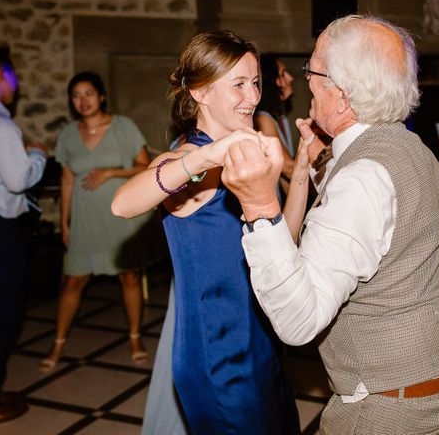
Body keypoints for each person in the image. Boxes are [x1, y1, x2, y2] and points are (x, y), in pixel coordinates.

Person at [221, 14, 439, 435]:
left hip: (391, 406)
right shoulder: (411, 147)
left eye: (313, 71)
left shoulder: (361, 180)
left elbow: (299, 322)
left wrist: (261, 205)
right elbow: (377, 223)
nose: (306, 81)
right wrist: (322, 161)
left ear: (341, 95)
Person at [111, 30, 305, 434]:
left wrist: (300, 171)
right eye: (238, 85)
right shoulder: (185, 158)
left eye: (254, 83)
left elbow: (281, 240)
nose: (252, 97)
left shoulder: (246, 156)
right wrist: (209, 154)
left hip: (262, 343)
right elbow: (123, 204)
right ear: (200, 91)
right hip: (220, 358)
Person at [40, 72, 159, 373]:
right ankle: (58, 342)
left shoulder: (123, 126)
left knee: (128, 277)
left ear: (102, 96)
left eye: (89, 93)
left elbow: (144, 166)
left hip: (117, 216)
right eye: (76, 95)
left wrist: (109, 172)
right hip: (84, 219)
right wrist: (64, 222)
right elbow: (67, 179)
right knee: (73, 280)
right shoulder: (68, 133)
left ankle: (135, 338)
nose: (83, 101)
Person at [0, 45, 47, 422]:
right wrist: (36, 154)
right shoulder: (0, 124)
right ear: (1, 78)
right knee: (0, 314)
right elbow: (18, 178)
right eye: (13, 77)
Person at [254, 54, 296, 195]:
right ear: (271, 81)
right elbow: (288, 168)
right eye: (283, 74)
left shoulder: (280, 118)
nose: (291, 78)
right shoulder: (263, 118)